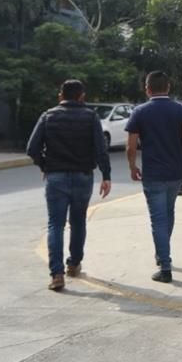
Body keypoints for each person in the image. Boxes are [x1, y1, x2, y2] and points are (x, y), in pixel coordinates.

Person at [26, 79, 112, 291]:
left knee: (55, 224)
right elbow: (100, 149)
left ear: (60, 96)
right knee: (78, 221)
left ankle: (56, 274)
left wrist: (45, 165)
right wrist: (106, 175)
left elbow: (32, 148)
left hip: (55, 177)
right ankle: (73, 264)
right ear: (82, 96)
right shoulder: (91, 117)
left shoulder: (48, 116)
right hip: (83, 176)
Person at [126, 71, 182, 283]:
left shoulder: (140, 112)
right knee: (168, 214)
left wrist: (133, 166)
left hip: (153, 174)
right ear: (168, 88)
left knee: (158, 220)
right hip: (174, 174)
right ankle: (162, 254)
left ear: (147, 89)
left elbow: (130, 146)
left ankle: (165, 266)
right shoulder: (180, 110)